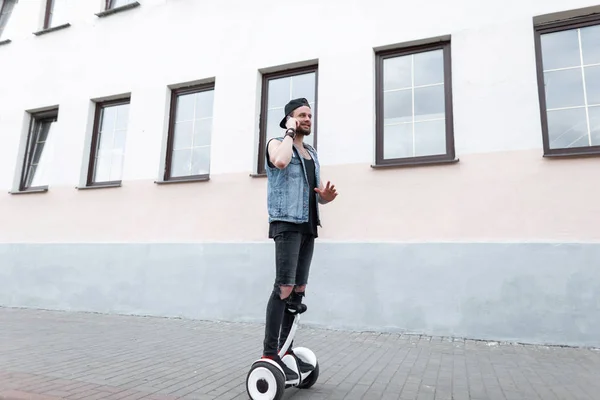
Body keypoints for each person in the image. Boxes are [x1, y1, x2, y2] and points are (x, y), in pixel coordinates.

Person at [261, 98, 338, 381]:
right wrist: (289, 132)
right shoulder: (276, 144)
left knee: (298, 290)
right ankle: (269, 353)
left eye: (309, 115)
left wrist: (325, 199)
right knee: (283, 288)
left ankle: (286, 349)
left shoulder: (312, 153)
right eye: (301, 115)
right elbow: (279, 162)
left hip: (307, 226)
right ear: (290, 119)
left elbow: (313, 193)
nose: (308, 119)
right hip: (286, 224)